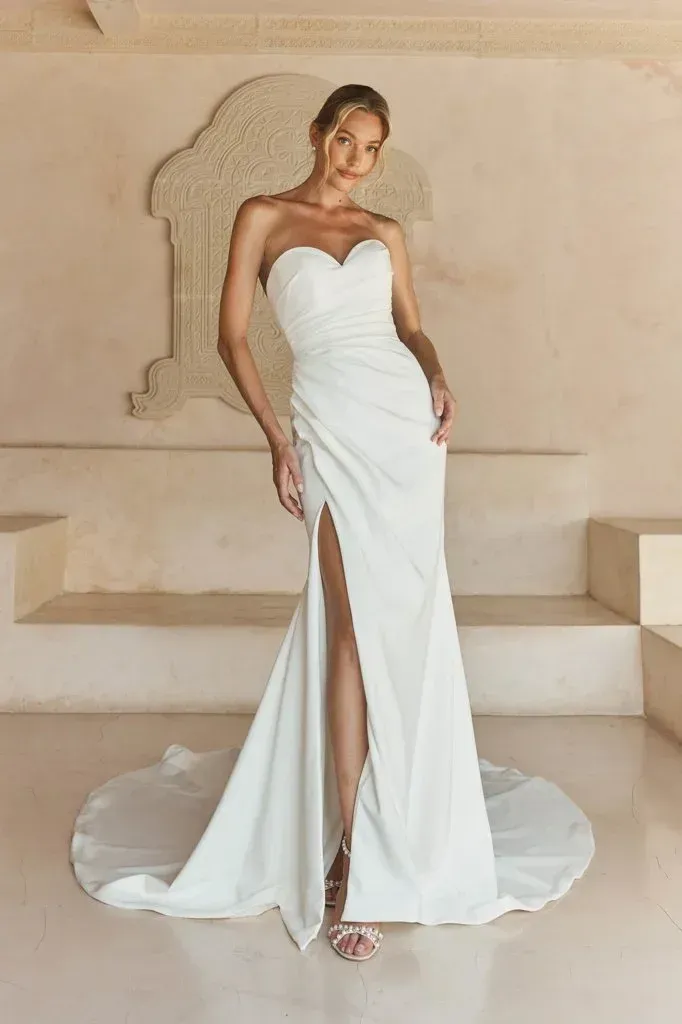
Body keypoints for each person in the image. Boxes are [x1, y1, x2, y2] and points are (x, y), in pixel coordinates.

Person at [69, 84, 594, 963]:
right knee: (347, 632)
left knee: (405, 628)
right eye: (346, 139)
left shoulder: (385, 233)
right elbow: (232, 336)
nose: (356, 159)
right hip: (325, 425)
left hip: (405, 431)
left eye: (372, 147)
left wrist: (439, 375)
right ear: (318, 135)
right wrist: (277, 439)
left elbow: (412, 330)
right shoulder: (262, 215)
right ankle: (354, 853)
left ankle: (394, 830)